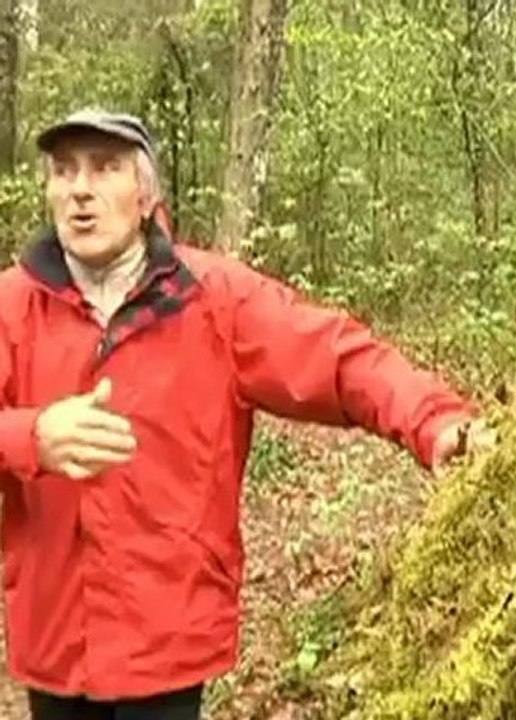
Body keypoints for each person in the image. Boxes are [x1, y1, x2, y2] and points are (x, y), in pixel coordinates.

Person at [0, 109, 486, 719]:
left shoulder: (212, 298)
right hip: (54, 638)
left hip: (168, 634)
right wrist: (29, 436)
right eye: (64, 171)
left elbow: (339, 360)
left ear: (146, 195)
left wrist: (437, 422)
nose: (80, 190)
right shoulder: (13, 306)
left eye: (105, 169)